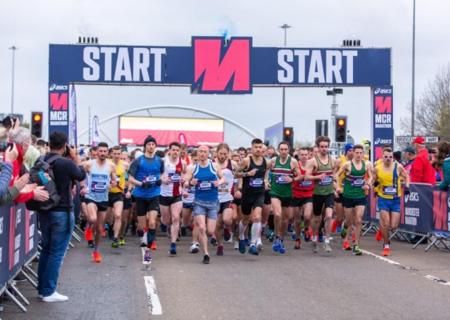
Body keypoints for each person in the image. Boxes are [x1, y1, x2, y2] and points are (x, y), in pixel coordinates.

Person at [37, 131, 86, 302]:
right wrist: (76, 158)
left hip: (44, 209)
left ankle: (42, 289)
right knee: (57, 253)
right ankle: (49, 291)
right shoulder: (66, 163)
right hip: (62, 211)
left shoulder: (41, 160)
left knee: (46, 249)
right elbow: (81, 175)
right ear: (65, 145)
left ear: (49, 143)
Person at [184, 145, 224, 264]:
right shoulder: (193, 168)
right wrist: (191, 182)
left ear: (208, 154)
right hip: (199, 202)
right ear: (197, 154)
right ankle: (206, 254)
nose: (202, 154)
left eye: (204, 152)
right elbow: (186, 182)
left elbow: (223, 178)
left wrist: (219, 182)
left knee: (210, 231)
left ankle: (209, 240)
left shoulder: (214, 166)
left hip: (212, 202)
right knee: (201, 227)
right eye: (200, 151)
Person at [128, 136, 164, 263]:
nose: (151, 146)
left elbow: (163, 174)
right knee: (142, 225)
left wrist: (161, 180)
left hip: (154, 194)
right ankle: (143, 235)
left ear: (155, 146)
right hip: (140, 195)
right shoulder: (138, 161)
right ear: (145, 146)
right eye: (149, 144)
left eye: (153, 144)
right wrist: (141, 184)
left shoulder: (160, 161)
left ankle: (148, 250)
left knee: (153, 222)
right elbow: (130, 179)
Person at [336, 144, 373, 255]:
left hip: (360, 195)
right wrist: (338, 187)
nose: (358, 155)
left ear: (363, 154)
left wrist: (368, 184)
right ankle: (345, 229)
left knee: (358, 219)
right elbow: (337, 175)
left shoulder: (366, 165)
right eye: (356, 152)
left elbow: (370, 176)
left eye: (361, 153)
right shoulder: (347, 165)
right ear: (353, 153)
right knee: (349, 220)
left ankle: (356, 244)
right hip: (348, 195)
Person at [83, 142, 117, 263]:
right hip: (91, 196)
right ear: (96, 152)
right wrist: (82, 186)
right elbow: (79, 174)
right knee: (92, 218)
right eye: (100, 151)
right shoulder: (88, 164)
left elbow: (114, 180)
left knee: (99, 228)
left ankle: (96, 251)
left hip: (103, 198)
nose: (102, 153)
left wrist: (113, 183)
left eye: (105, 151)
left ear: (108, 153)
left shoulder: (111, 166)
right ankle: (88, 228)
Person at [373, 146, 409, 256]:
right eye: (386, 157)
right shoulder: (378, 167)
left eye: (390, 157)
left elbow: (406, 176)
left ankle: (381, 230)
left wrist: (407, 186)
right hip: (383, 198)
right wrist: (373, 187)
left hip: (395, 199)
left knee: (393, 226)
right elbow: (373, 179)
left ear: (393, 157)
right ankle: (386, 244)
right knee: (386, 222)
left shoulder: (398, 166)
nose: (388, 158)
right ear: (382, 157)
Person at [236, 138, 270, 255]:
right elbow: (236, 174)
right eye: (256, 147)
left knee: (256, 217)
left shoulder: (266, 162)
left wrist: (266, 182)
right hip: (247, 194)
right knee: (245, 219)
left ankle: (253, 244)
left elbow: (265, 176)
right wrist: (247, 174)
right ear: (251, 148)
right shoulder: (246, 161)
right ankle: (240, 237)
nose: (258, 149)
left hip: (259, 193)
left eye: (260, 147)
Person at [306, 136, 339, 253]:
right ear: (318, 147)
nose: (324, 149)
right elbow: (307, 176)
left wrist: (337, 187)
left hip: (329, 192)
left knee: (329, 216)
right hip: (317, 193)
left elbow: (334, 176)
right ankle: (314, 237)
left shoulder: (334, 161)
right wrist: (317, 177)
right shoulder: (313, 161)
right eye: (322, 147)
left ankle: (327, 241)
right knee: (317, 218)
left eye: (326, 146)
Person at [268, 141, 300, 254]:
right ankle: (276, 236)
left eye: (285, 149)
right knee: (277, 214)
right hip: (275, 192)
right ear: (278, 150)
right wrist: (266, 181)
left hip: (287, 194)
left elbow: (300, 176)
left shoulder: (293, 162)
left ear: (289, 150)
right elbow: (265, 171)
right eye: (281, 149)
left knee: (286, 219)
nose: (283, 151)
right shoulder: (273, 161)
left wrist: (292, 179)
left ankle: (281, 238)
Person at [160, 142, 186, 255]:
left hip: (177, 194)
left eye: (177, 150)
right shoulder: (163, 161)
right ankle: (166, 226)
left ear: (180, 151)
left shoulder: (183, 163)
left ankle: (173, 244)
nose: (175, 152)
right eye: (173, 150)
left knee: (176, 218)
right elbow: (157, 174)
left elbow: (184, 176)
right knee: (166, 220)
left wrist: (184, 184)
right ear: (169, 150)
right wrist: (162, 179)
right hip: (164, 194)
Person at [214, 143, 238, 256]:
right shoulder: (212, 164)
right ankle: (220, 245)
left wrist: (239, 188)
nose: (222, 156)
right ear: (217, 153)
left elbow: (239, 175)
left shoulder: (232, 164)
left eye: (225, 154)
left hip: (228, 197)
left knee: (227, 219)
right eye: (221, 153)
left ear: (228, 154)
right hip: (215, 198)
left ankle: (228, 228)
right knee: (218, 225)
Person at [290, 147, 314, 249]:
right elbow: (290, 178)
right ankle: (298, 239)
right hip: (296, 194)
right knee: (298, 220)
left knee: (307, 216)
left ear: (309, 155)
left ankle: (307, 228)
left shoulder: (313, 166)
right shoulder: (295, 166)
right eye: (302, 155)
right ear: (298, 156)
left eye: (306, 154)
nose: (304, 156)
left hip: (308, 194)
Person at [108, 146, 129, 248]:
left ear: (121, 154)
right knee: (108, 218)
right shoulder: (107, 163)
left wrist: (129, 189)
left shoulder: (125, 165)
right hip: (107, 193)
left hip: (119, 193)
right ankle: (111, 227)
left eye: (118, 154)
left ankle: (116, 238)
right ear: (111, 154)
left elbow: (131, 177)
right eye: (115, 153)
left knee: (117, 215)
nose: (116, 156)